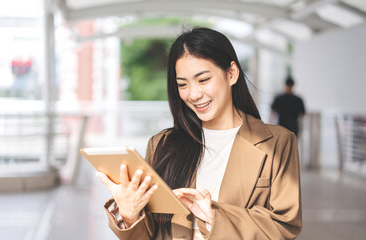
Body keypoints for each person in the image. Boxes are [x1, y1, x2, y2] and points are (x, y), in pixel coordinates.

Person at [96, 27, 302, 239]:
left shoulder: (278, 142)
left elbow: (284, 227)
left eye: (203, 80)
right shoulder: (162, 144)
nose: (194, 94)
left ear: (232, 73)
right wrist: (130, 215)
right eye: (182, 84)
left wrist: (214, 217)